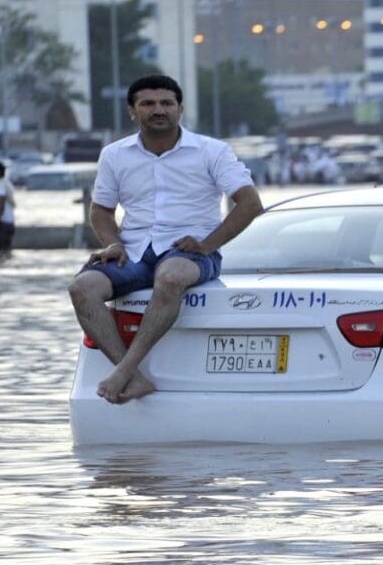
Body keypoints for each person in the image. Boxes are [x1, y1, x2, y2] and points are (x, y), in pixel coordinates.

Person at [67, 74, 262, 404]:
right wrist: (112, 243)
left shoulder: (211, 151)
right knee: (81, 287)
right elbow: (101, 210)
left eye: (166, 103)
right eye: (148, 104)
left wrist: (208, 244)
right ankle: (136, 377)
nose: (159, 110)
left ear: (180, 109)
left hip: (191, 253)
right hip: (133, 252)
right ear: (132, 111)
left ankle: (124, 369)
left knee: (170, 277)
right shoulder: (114, 155)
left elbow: (250, 203)